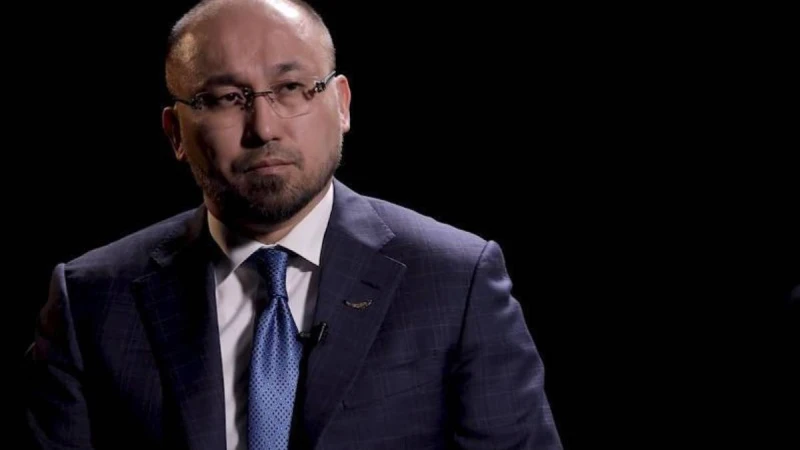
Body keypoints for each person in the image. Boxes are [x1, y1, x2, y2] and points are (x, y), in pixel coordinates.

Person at [23, 0, 562, 448]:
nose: (264, 127)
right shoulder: (89, 300)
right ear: (175, 133)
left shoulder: (456, 280)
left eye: (292, 88)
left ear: (342, 104)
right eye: (226, 98)